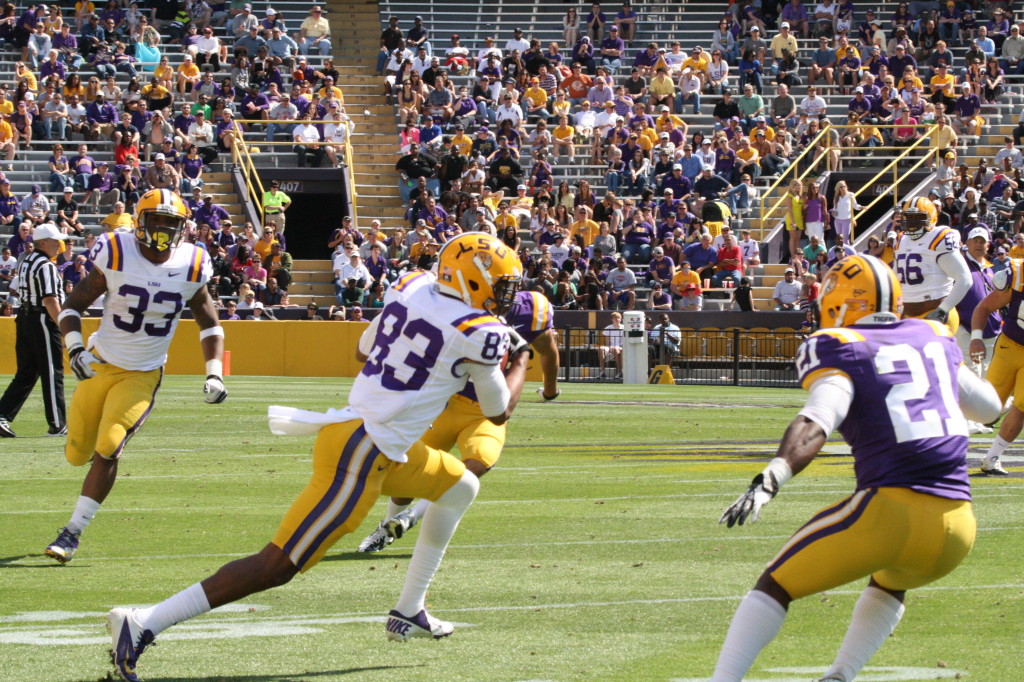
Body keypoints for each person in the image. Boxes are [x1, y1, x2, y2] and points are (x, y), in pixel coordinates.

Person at [106, 234, 528, 679]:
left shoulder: (412, 286)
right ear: (471, 280)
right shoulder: (481, 332)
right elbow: (498, 411)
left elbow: (363, 350)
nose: (504, 296)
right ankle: (144, 622)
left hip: (367, 435)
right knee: (276, 565)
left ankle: (409, 609)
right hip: (363, 452)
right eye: (500, 285)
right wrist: (519, 359)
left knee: (461, 486)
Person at [710, 254, 1002, 682]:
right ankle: (840, 675)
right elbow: (990, 409)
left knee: (776, 584)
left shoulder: (840, 345)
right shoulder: (933, 334)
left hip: (890, 513)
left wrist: (771, 477)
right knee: (890, 580)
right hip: (958, 528)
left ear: (840, 302)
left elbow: (819, 418)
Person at [42, 189, 228, 564]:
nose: (161, 228)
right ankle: (86, 464)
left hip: (142, 373)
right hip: (99, 363)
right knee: (77, 454)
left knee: (109, 445)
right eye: (155, 219)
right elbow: (73, 306)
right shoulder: (116, 250)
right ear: (139, 221)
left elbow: (210, 323)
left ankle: (72, 531)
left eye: (170, 222)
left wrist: (216, 373)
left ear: (182, 227)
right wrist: (75, 349)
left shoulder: (192, 262)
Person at [357, 288, 559, 553]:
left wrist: (550, 390)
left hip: (483, 412)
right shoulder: (446, 304)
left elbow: (548, 349)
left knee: (477, 462)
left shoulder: (530, 309)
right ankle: (386, 527)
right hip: (445, 402)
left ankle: (410, 517)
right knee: (412, 471)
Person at [0, 223, 67, 439]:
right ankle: (57, 424)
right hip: (42, 319)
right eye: (55, 241)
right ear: (43, 243)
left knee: (27, 372)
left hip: (25, 317)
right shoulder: (46, 265)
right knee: (52, 371)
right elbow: (50, 299)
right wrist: (64, 327)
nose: (59, 245)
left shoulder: (27, 261)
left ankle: (2, 414)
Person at [970, 252, 1024, 476]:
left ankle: (992, 458)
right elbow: (983, 308)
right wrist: (976, 338)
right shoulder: (1019, 274)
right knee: (986, 410)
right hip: (1009, 347)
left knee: (1022, 407)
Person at [893, 197, 972, 331]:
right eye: (908, 217)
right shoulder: (901, 239)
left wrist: (942, 311)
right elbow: (895, 279)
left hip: (935, 313)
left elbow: (965, 279)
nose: (911, 222)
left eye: (917, 218)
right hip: (908, 316)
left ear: (931, 218)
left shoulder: (937, 238)